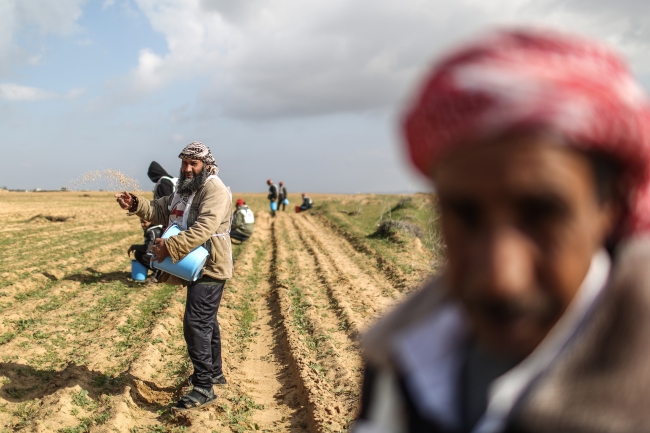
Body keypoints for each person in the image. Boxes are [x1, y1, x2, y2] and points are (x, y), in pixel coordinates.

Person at [355, 29, 650, 433]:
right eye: (464, 214)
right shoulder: (399, 358)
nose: (500, 279)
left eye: (542, 214)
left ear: (610, 206)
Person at [115, 141, 232, 412]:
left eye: (193, 163)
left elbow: (205, 227)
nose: (188, 168)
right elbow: (161, 209)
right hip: (195, 262)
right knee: (205, 320)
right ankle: (213, 373)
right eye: (184, 163)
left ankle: (204, 388)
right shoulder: (184, 189)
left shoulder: (213, 189)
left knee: (196, 323)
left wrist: (170, 245)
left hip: (211, 263)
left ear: (205, 165)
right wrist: (135, 204)